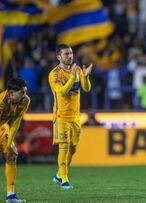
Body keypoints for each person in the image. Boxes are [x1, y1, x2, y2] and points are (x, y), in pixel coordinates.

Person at [48, 44, 92, 189]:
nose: (70, 56)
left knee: (73, 149)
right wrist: (73, 77)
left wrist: (85, 76)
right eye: (66, 54)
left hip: (75, 117)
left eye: (71, 53)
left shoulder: (77, 69)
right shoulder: (55, 74)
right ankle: (64, 179)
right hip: (61, 116)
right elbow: (61, 92)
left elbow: (86, 88)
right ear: (58, 57)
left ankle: (59, 174)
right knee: (64, 146)